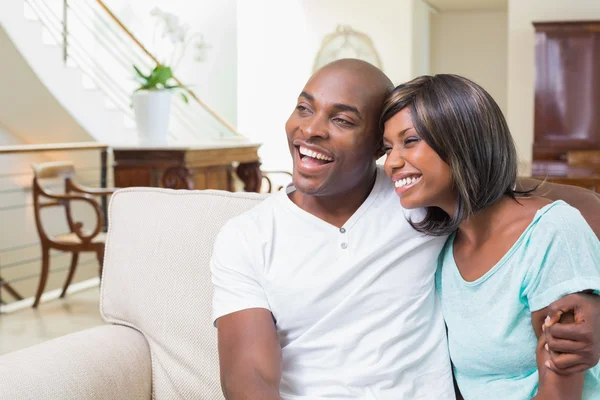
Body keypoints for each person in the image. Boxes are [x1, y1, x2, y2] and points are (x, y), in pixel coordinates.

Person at [211, 59, 600, 399]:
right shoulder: (246, 236)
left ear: (373, 149)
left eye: (342, 119)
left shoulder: (420, 205)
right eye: (303, 108)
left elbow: (535, 205)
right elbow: (248, 377)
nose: (311, 130)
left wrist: (591, 302)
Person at [380, 74, 600, 399]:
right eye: (387, 148)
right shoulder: (443, 246)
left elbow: (560, 393)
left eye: (410, 141)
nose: (391, 163)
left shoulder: (550, 232)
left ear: (462, 140)